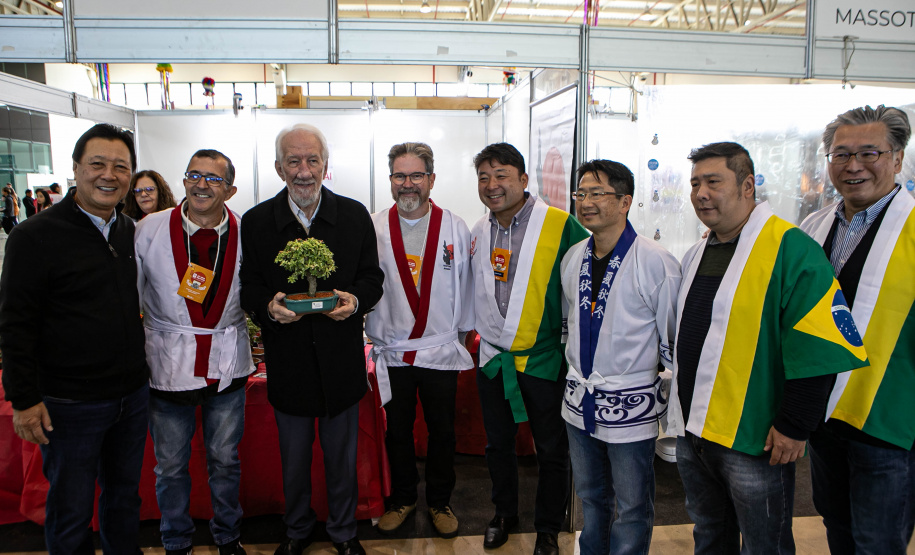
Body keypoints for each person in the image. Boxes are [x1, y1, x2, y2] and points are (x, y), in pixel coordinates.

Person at [668, 141, 870, 554]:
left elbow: (818, 345)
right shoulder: (698, 251)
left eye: (713, 182)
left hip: (754, 434)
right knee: (709, 534)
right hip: (695, 429)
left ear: (747, 186)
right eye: (695, 183)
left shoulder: (791, 248)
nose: (701, 193)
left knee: (766, 544)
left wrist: (795, 425)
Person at [0, 123, 148, 554]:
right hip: (70, 404)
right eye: (97, 164)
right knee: (71, 507)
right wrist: (23, 399)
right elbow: (15, 324)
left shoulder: (128, 230)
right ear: (77, 168)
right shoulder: (35, 236)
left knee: (124, 499)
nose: (109, 175)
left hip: (130, 397)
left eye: (121, 167)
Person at [239, 123, 384, 555]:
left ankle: (344, 532)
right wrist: (268, 307)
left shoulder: (353, 215)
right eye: (293, 161)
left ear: (325, 165)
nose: (303, 171)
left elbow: (372, 277)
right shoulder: (257, 221)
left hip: (341, 362)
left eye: (312, 160)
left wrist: (354, 301)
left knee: (342, 460)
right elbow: (249, 285)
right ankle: (297, 530)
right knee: (294, 461)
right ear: (278, 168)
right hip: (289, 364)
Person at [800, 105, 915, 555]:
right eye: (841, 154)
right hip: (826, 416)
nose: (853, 166)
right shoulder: (814, 227)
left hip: (888, 419)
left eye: (870, 153)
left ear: (897, 159)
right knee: (838, 526)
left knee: (878, 541)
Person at [470, 142, 589, 555]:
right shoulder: (478, 231)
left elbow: (586, 280)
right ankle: (504, 514)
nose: (492, 185)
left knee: (551, 448)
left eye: (501, 175)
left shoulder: (560, 225)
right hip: (493, 359)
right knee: (497, 443)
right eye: (484, 177)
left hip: (543, 359)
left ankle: (548, 529)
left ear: (523, 179)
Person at [135, 149, 253, 555]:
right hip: (167, 361)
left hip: (226, 360)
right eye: (194, 175)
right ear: (184, 180)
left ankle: (228, 536)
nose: (202, 185)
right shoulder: (149, 229)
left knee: (225, 460)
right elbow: (130, 295)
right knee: (170, 465)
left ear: (230, 190)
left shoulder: (246, 232)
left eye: (213, 179)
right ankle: (176, 540)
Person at [560, 159, 681, 555]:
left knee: (632, 505)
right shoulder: (573, 257)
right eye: (580, 194)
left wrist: (673, 408)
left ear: (625, 201)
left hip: (632, 403)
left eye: (597, 193)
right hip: (580, 399)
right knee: (590, 497)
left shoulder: (655, 260)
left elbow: (673, 340)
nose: (585, 202)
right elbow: (570, 324)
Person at [365, 142, 474, 539]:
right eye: (399, 175)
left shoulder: (454, 227)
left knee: (442, 431)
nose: (407, 184)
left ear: (431, 179)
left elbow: (466, 286)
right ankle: (403, 498)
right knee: (397, 430)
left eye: (415, 175)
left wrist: (461, 335)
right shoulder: (373, 227)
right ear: (390, 179)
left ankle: (440, 501)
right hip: (393, 351)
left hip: (439, 349)